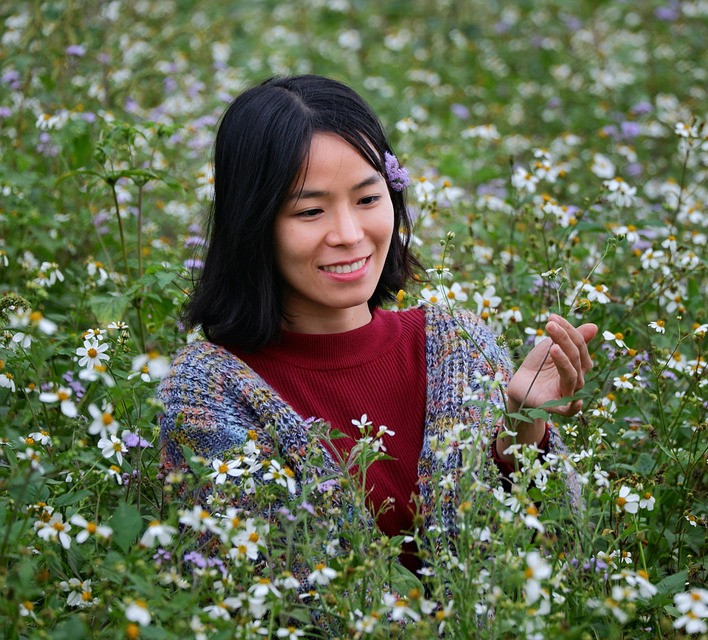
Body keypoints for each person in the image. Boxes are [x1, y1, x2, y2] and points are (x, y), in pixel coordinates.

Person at [157, 75, 596, 581]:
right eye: (310, 210)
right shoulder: (211, 393)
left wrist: (522, 429)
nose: (349, 234)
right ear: (253, 224)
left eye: (368, 199)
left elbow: (571, 567)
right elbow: (264, 597)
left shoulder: (459, 344)